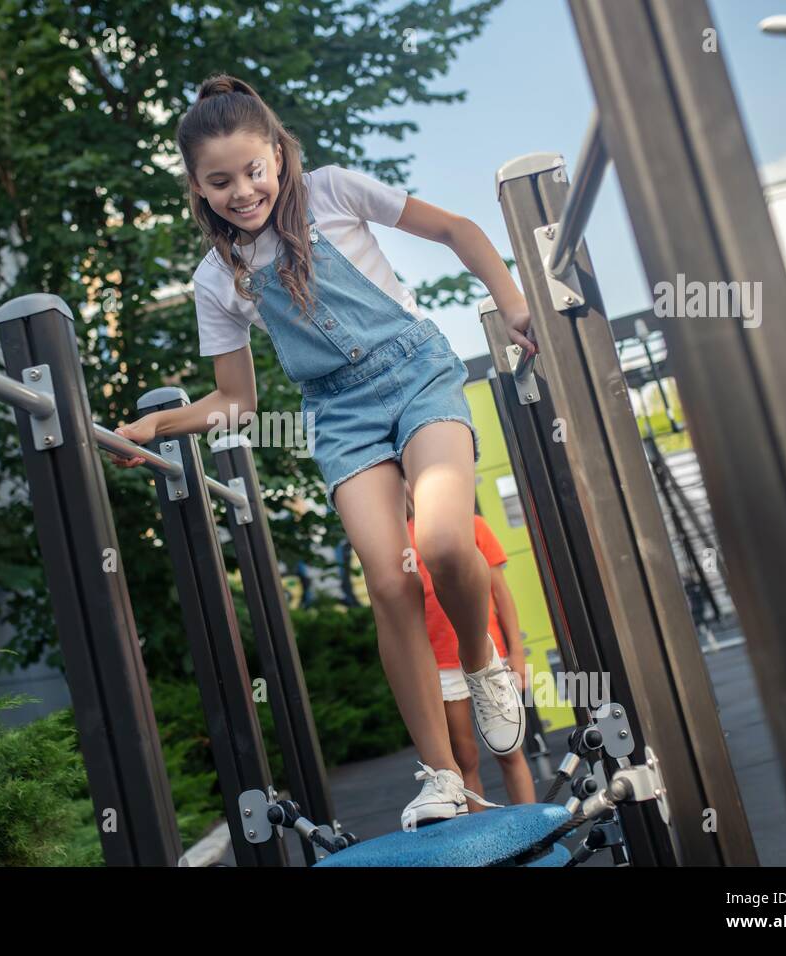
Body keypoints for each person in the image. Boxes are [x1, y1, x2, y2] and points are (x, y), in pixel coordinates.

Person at [108, 74, 535, 829]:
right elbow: (237, 401)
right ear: (198, 189)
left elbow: (457, 231)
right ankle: (439, 773)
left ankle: (482, 662)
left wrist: (514, 302)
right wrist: (156, 428)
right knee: (387, 581)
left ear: (277, 153)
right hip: (339, 415)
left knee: (439, 539)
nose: (242, 191)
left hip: (416, 372)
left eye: (253, 171)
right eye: (220, 182)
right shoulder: (218, 278)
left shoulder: (336, 192)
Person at [404, 478, 537, 810]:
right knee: (465, 758)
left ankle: (534, 830)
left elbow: (501, 595)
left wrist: (517, 654)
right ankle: (484, 845)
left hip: (488, 657)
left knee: (509, 749)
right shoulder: (401, 540)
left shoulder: (472, 525)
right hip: (442, 665)